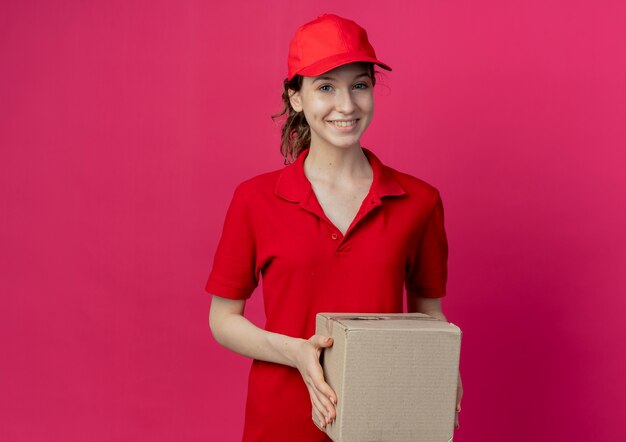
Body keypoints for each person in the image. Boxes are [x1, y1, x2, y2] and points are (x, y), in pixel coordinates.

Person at [207, 13, 463, 442]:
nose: (347, 105)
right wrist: (295, 351)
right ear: (296, 98)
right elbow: (223, 319)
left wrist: (443, 366)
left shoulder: (419, 201)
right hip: (281, 422)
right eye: (326, 87)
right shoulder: (254, 199)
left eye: (359, 85)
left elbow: (428, 313)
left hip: (384, 419)